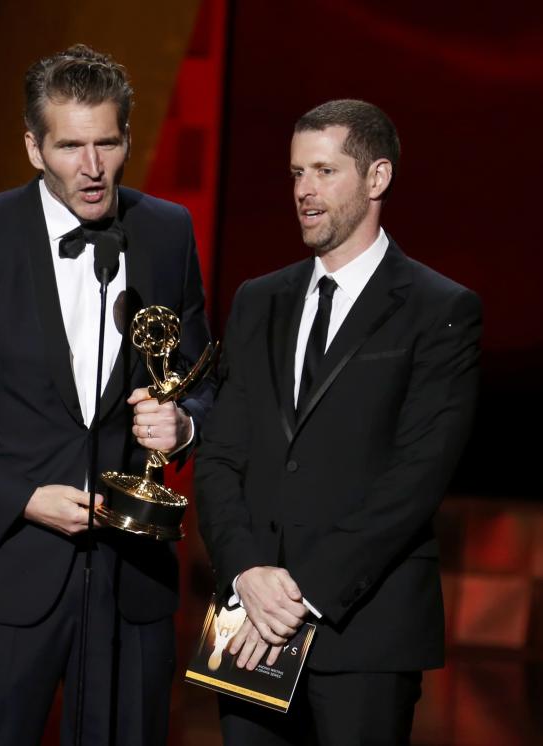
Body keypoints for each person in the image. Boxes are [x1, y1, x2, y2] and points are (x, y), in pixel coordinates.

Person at [0, 44, 212, 746]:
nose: (91, 168)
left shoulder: (166, 231)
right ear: (34, 146)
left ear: (127, 137)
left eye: (106, 144)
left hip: (130, 583)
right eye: (70, 146)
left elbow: (201, 379)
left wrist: (182, 428)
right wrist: (23, 496)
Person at [195, 99, 482, 745]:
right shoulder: (257, 299)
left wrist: (300, 594)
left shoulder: (441, 310)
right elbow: (220, 454)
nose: (304, 191)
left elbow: (416, 478)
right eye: (297, 174)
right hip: (248, 625)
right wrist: (245, 573)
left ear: (377, 178)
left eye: (324, 172)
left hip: (364, 634)